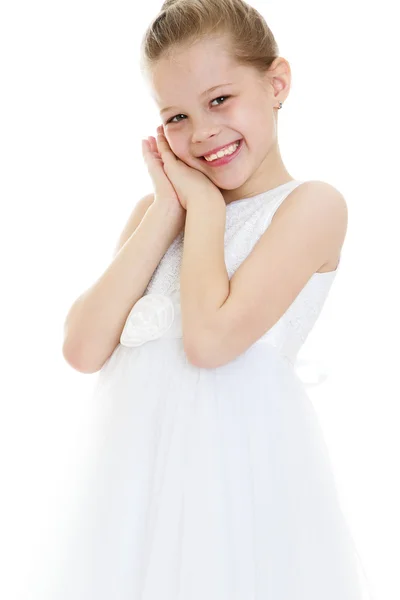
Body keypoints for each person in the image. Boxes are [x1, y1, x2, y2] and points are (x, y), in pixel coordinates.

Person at [58, 1, 375, 599]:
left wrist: (203, 208)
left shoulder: (311, 206)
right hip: (134, 490)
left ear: (276, 83)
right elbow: (82, 347)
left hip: (233, 489)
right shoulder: (158, 217)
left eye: (220, 99)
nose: (201, 131)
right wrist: (167, 212)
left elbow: (210, 342)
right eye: (175, 115)